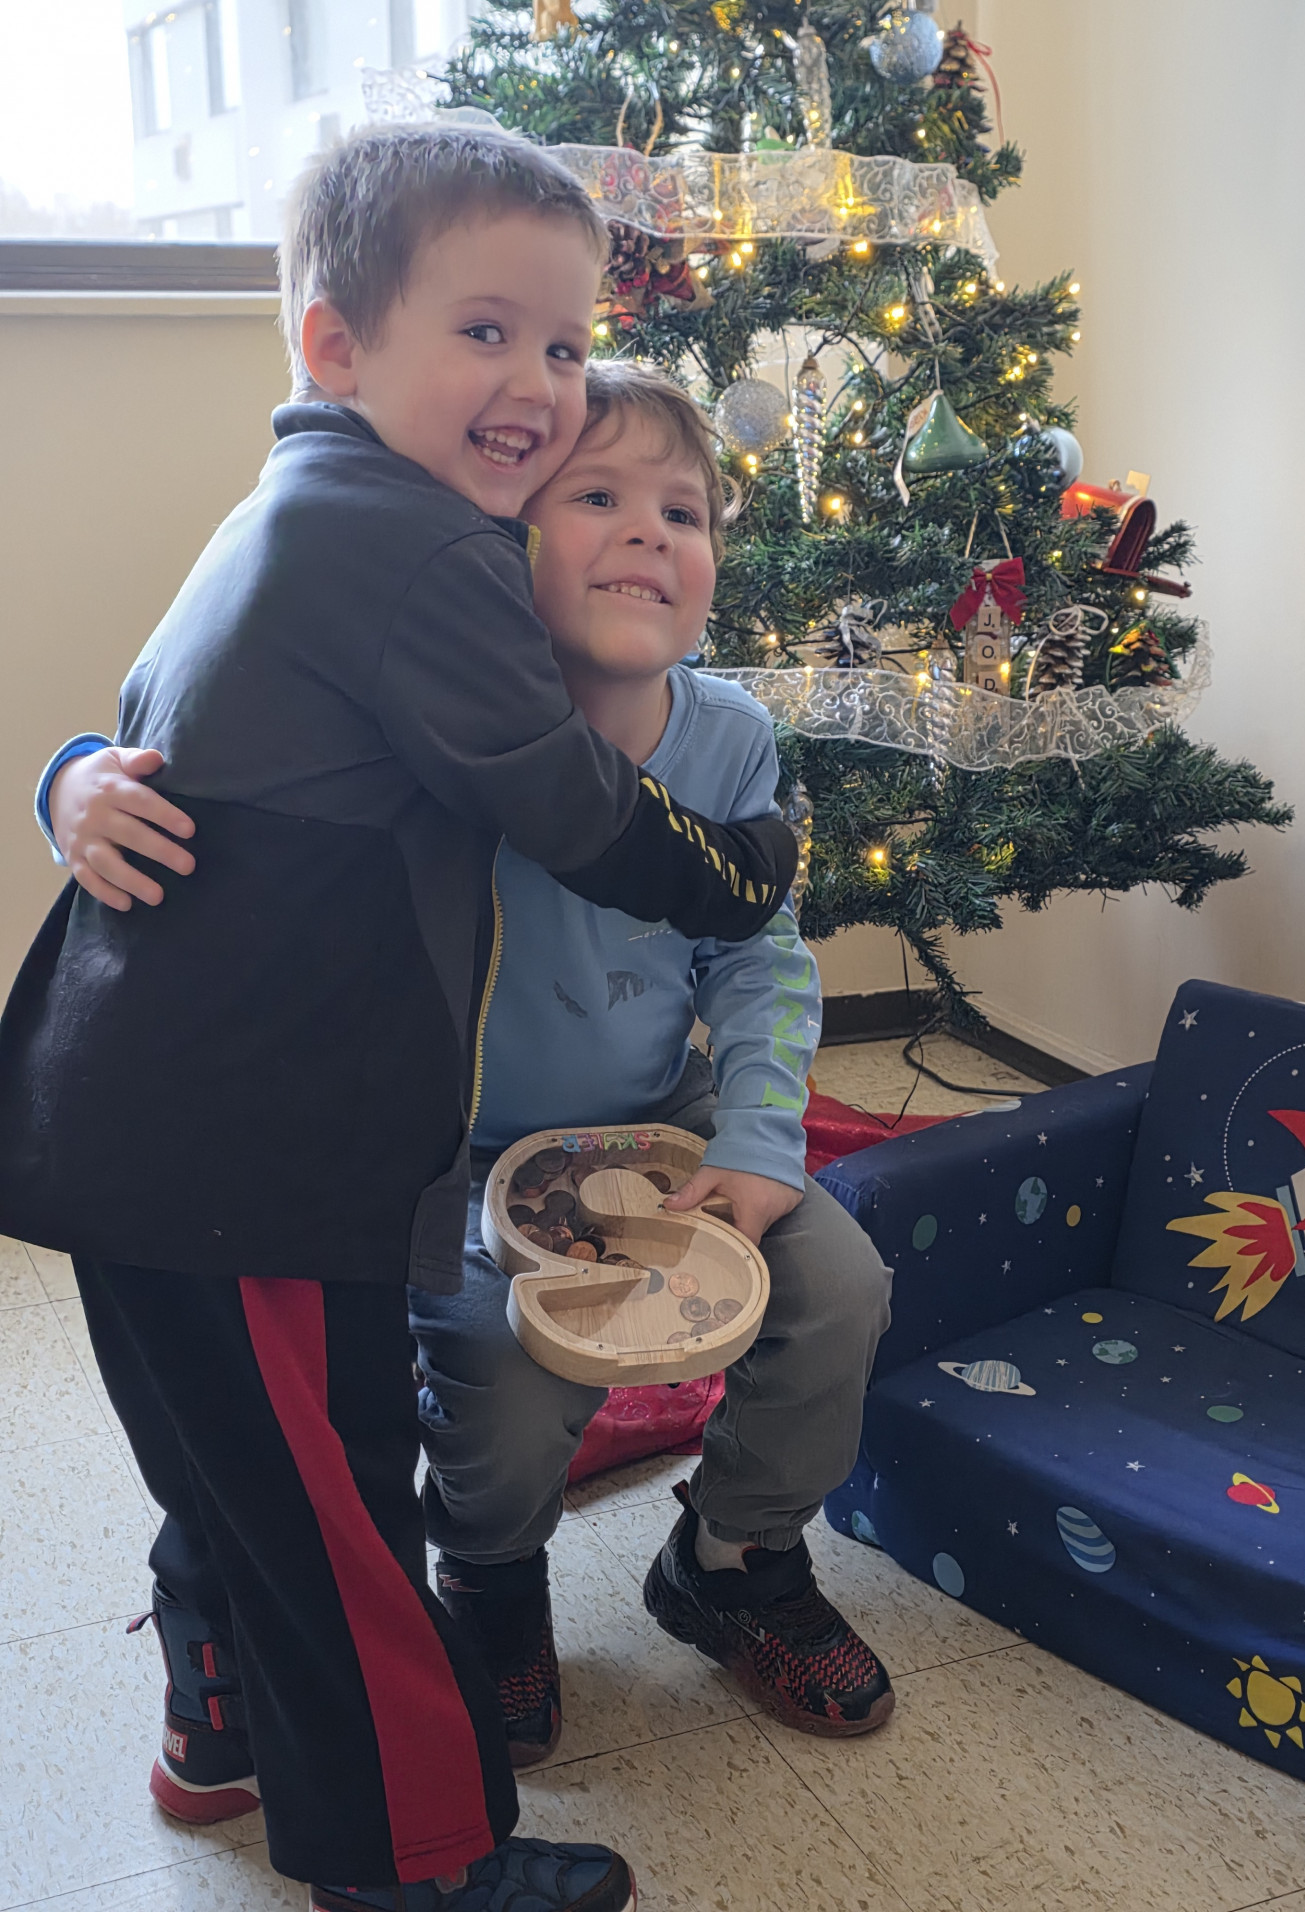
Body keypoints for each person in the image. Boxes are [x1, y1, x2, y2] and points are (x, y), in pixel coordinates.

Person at [0, 123, 799, 1912]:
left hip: (150, 1125)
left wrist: (66, 774)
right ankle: (417, 1862)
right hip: (242, 1148)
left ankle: (217, 1729)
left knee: (238, 1462)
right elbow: (579, 811)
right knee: (338, 1506)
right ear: (335, 344)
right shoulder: (421, 549)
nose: (539, 386)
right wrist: (745, 867)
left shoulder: (289, 505)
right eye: (486, 332)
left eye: (566, 344)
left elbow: (148, 716)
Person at [44, 362, 896, 1778]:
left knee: (839, 1288)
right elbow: (222, 742)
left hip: (662, 1121)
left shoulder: (733, 739)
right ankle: (493, 1581)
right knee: (497, 1372)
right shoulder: (434, 720)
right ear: (500, 544)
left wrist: (759, 1138)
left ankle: (735, 1558)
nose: (650, 531)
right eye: (598, 497)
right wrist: (73, 777)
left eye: (684, 513)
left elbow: (760, 955)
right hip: (458, 1149)